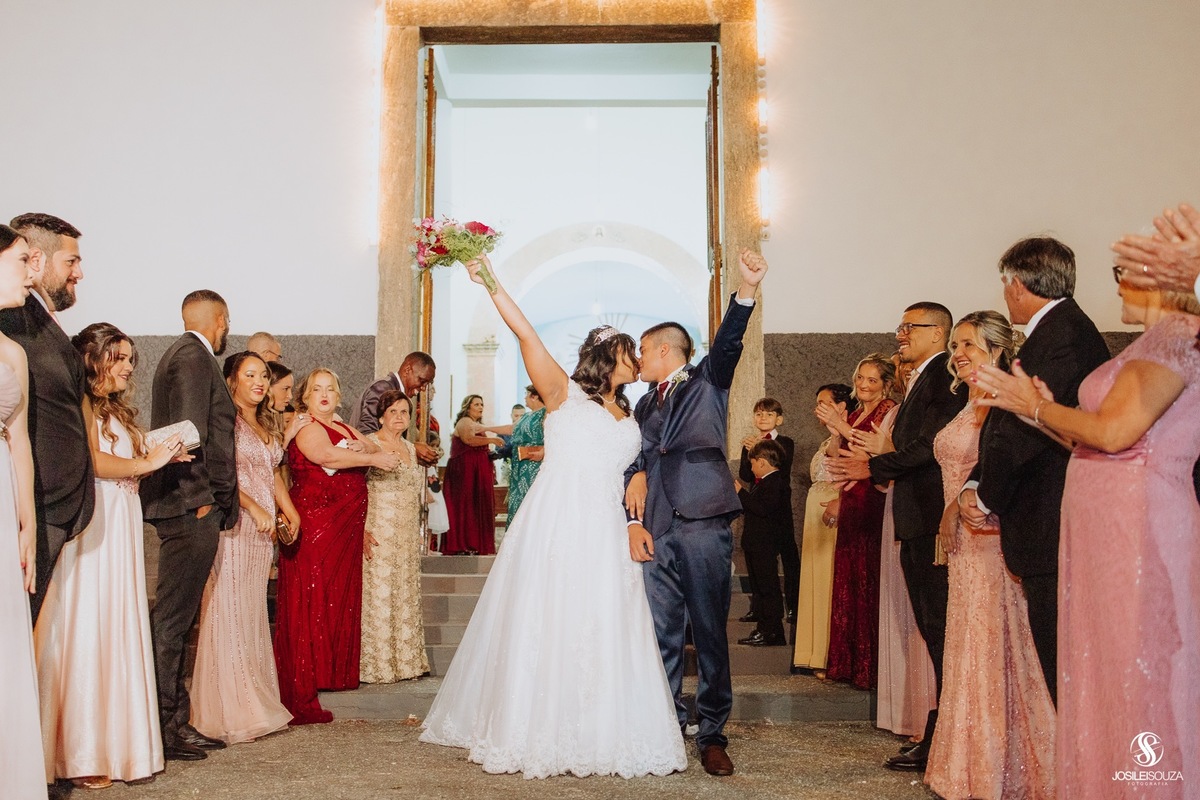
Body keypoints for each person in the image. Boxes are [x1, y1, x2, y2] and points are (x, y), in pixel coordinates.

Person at [420, 255, 685, 779]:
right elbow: (525, 334)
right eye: (629, 352)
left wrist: (638, 478)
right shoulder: (563, 392)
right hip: (560, 517)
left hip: (607, 523)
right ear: (608, 356)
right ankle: (537, 727)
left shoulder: (632, 410)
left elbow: (640, 459)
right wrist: (490, 281)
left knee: (604, 617)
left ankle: (602, 729)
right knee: (553, 613)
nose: (637, 360)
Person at [972, 267, 1200, 798]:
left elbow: (1114, 434)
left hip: (1138, 525)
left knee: (1133, 666)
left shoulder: (1175, 339)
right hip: (1107, 522)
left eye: (1126, 272)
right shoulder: (1148, 343)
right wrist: (1035, 413)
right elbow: (1088, 442)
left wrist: (1035, 405)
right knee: (1101, 665)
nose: (1115, 282)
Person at [626, 249, 768, 777]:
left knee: (708, 632)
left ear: (665, 350)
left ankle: (711, 734)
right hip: (656, 527)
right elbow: (635, 456)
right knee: (661, 633)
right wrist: (634, 501)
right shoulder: (643, 404)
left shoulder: (708, 378)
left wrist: (746, 289)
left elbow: (729, 341)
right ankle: (666, 728)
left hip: (704, 520)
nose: (638, 359)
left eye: (643, 350)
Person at [958, 237, 1109, 706]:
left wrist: (986, 495)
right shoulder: (1060, 331)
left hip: (1051, 517)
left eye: (1005, 283)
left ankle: (1086, 755)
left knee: (1066, 669)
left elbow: (1026, 430)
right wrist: (976, 479)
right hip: (1048, 517)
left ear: (1018, 284)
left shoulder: (1062, 337)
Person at [35, 323, 188, 788]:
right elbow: (93, 461)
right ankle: (79, 753)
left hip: (120, 524)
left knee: (116, 625)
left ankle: (115, 745)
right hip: (94, 524)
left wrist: (160, 452)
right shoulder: (79, 402)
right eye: (118, 358)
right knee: (90, 625)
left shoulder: (112, 409)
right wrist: (146, 462)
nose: (127, 367)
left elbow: (123, 458)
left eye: (129, 359)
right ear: (92, 359)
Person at [923, 311, 1055, 800]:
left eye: (969, 344)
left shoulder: (1005, 400)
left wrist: (963, 504)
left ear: (998, 350)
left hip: (990, 536)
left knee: (999, 644)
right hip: (965, 543)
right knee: (970, 645)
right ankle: (971, 762)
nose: (958, 353)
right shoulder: (968, 401)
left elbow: (1010, 465)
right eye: (955, 345)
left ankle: (1014, 767)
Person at [830, 302, 966, 771]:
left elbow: (927, 447)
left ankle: (945, 734)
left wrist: (872, 467)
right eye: (900, 326)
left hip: (931, 519)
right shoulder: (923, 378)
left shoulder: (944, 378)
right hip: (915, 516)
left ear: (938, 333)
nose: (901, 334)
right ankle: (941, 731)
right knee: (933, 631)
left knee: (940, 631)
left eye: (911, 327)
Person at [140, 289, 239, 762]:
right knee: (172, 623)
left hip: (187, 505)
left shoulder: (186, 355)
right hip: (188, 506)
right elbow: (188, 433)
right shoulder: (193, 357)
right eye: (227, 323)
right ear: (220, 319)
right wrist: (201, 501)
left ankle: (173, 720)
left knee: (176, 622)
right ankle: (164, 727)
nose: (227, 331)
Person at [273, 368, 399, 724]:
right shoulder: (307, 425)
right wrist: (371, 458)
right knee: (312, 599)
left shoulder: (344, 426)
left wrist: (367, 447)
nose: (324, 395)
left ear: (340, 395)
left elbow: (373, 443)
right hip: (318, 526)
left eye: (330, 388)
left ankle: (325, 672)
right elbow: (326, 457)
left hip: (344, 530)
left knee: (332, 600)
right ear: (306, 396)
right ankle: (302, 680)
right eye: (317, 389)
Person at [190, 351, 297, 744]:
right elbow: (222, 474)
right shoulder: (226, 420)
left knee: (250, 610)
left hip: (262, 535)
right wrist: (253, 507)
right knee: (227, 609)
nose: (259, 382)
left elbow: (270, 472)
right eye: (250, 375)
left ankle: (255, 699)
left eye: (264, 376)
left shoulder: (264, 421)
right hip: (235, 527)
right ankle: (229, 710)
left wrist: (288, 509)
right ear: (232, 380)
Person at [0, 213, 94, 624]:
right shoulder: (15, 317)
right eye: (70, 261)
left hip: (39, 502)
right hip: (36, 495)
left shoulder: (30, 326)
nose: (79, 273)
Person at [857, 361, 938, 744]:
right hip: (902, 510)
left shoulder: (929, 401)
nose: (907, 371)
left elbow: (919, 452)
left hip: (928, 514)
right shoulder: (903, 410)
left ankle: (929, 717)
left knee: (930, 624)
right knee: (913, 617)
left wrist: (877, 458)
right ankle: (913, 713)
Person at [0, 225, 50, 798]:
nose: (31, 272)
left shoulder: (13, 351)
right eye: (21, 260)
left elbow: (19, 442)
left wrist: (28, 525)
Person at [822, 354, 896, 690]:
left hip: (872, 500)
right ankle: (846, 663)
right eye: (860, 378)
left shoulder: (887, 410)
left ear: (885, 385)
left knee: (868, 579)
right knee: (848, 578)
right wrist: (835, 432)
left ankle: (871, 667)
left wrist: (842, 427)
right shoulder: (854, 414)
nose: (864, 385)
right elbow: (836, 455)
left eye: (872, 380)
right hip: (851, 499)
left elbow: (875, 451)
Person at [360, 389, 430, 683]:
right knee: (380, 594)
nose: (399, 417)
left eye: (404, 412)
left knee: (404, 594)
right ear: (381, 417)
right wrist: (362, 529)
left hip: (406, 534)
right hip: (380, 530)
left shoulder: (411, 449)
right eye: (393, 412)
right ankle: (377, 664)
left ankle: (406, 663)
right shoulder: (370, 445)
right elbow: (356, 489)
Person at [792, 384, 853, 675]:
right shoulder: (829, 437)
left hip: (833, 510)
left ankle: (831, 654)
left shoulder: (850, 434)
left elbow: (843, 466)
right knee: (815, 580)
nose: (818, 409)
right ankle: (814, 652)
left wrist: (839, 430)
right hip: (815, 516)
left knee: (829, 581)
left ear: (841, 407)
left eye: (824, 403)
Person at [737, 397, 798, 622]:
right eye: (759, 414)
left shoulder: (786, 442)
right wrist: (749, 452)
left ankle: (793, 606)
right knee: (756, 558)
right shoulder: (749, 443)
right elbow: (745, 475)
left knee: (789, 556)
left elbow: (781, 468)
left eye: (769, 414)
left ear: (778, 419)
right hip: (757, 505)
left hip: (778, 507)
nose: (763, 418)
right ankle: (757, 607)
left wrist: (759, 449)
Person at [735, 439, 791, 647]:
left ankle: (772, 631)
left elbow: (763, 508)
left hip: (765, 544)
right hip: (755, 544)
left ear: (762, 462)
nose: (751, 468)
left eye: (752, 464)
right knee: (760, 588)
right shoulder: (763, 483)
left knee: (768, 588)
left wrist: (740, 493)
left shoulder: (776, 482)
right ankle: (763, 628)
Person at [441, 395, 508, 555]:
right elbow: (469, 439)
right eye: (476, 404)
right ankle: (463, 543)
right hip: (465, 471)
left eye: (482, 404)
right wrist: (491, 440)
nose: (480, 407)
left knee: (476, 506)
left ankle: (476, 543)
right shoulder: (464, 421)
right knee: (466, 505)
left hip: (477, 471)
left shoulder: (477, 424)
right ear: (467, 406)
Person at [350, 352, 438, 462]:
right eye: (422, 381)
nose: (424, 388)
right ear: (407, 370)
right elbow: (366, 434)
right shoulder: (382, 388)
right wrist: (411, 450)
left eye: (427, 384)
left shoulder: (398, 392)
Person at [506, 385, 545, 522]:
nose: (525, 398)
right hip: (519, 464)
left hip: (533, 464)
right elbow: (511, 429)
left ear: (534, 396)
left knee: (529, 499)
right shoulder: (527, 415)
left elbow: (553, 436)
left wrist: (543, 451)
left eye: (526, 394)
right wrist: (486, 428)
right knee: (517, 499)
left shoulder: (546, 413)